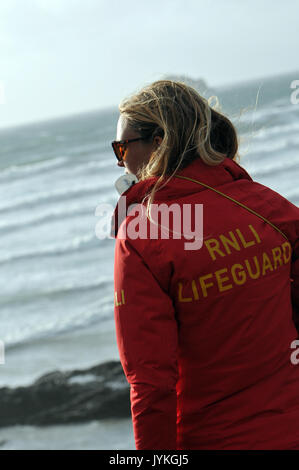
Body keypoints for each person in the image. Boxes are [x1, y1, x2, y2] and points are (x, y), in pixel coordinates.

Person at [110, 80, 299, 450]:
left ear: (159, 143)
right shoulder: (267, 206)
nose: (120, 162)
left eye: (122, 148)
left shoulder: (142, 237)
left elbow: (151, 385)